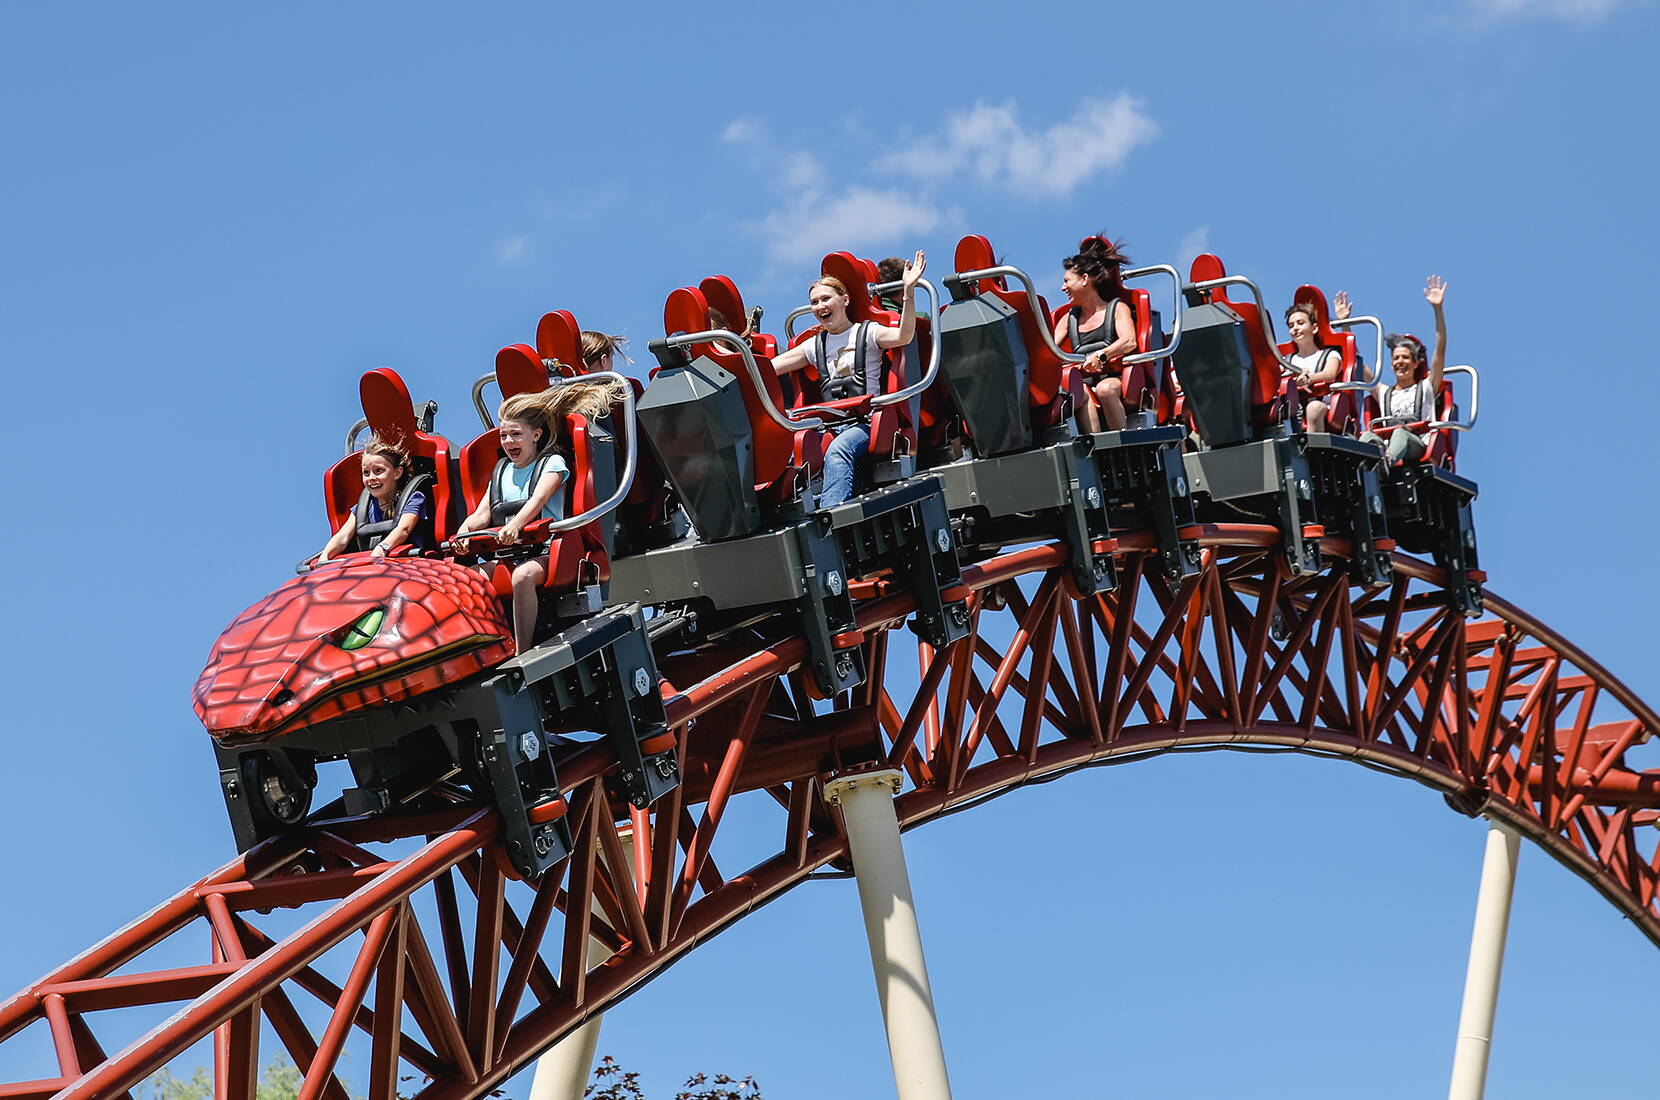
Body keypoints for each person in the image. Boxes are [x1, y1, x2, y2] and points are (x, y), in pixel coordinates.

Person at [454, 377, 629, 650]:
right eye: (504, 435)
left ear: (535, 435)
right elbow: (481, 514)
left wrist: (516, 526)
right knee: (464, 579)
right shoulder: (501, 472)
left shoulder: (553, 463)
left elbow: (538, 500)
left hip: (548, 551)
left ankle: (521, 650)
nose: (508, 441)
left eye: (515, 434)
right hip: (509, 553)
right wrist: (464, 533)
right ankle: (486, 646)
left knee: (522, 578)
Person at [770, 250, 926, 508]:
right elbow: (769, 369)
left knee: (838, 450)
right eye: (814, 302)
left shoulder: (868, 332)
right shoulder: (814, 345)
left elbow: (904, 336)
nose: (820, 306)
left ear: (844, 300)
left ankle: (832, 514)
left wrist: (908, 291)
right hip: (828, 424)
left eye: (825, 299)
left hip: (867, 422)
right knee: (797, 453)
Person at [1336, 276, 1449, 463]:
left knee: (1399, 433)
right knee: (1365, 438)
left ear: (1415, 363)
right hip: (1388, 444)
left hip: (1417, 444)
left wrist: (1437, 309)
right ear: (1391, 364)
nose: (1400, 362)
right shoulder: (1384, 393)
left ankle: (1386, 463)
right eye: (1396, 358)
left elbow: (1440, 349)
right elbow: (1356, 362)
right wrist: (1344, 324)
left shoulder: (1426, 388)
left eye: (1405, 357)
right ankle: (1363, 470)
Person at [1054, 236, 1137, 432]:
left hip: (1115, 378)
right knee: (1078, 392)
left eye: (1067, 281)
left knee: (1105, 389)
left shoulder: (1117, 308)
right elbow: (1049, 350)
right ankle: (1096, 449)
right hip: (1084, 382)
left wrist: (1101, 355)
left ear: (1084, 279)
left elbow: (1129, 341)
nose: (1062, 287)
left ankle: (1123, 447)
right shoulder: (1068, 319)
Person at [316, 436, 429, 563]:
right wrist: (325, 556)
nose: (371, 478)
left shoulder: (414, 499)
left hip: (408, 563)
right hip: (374, 568)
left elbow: (404, 529)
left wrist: (382, 548)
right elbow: (343, 537)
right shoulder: (362, 509)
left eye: (378, 471)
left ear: (397, 473)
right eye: (366, 473)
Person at [1284, 299, 1344, 433]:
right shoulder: (1287, 361)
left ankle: (1313, 449)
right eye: (1291, 325)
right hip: (1295, 407)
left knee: (1313, 408)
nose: (1295, 328)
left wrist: (1310, 378)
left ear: (1314, 328)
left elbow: (1330, 373)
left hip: (1323, 405)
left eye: (1300, 323)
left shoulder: (1329, 354)